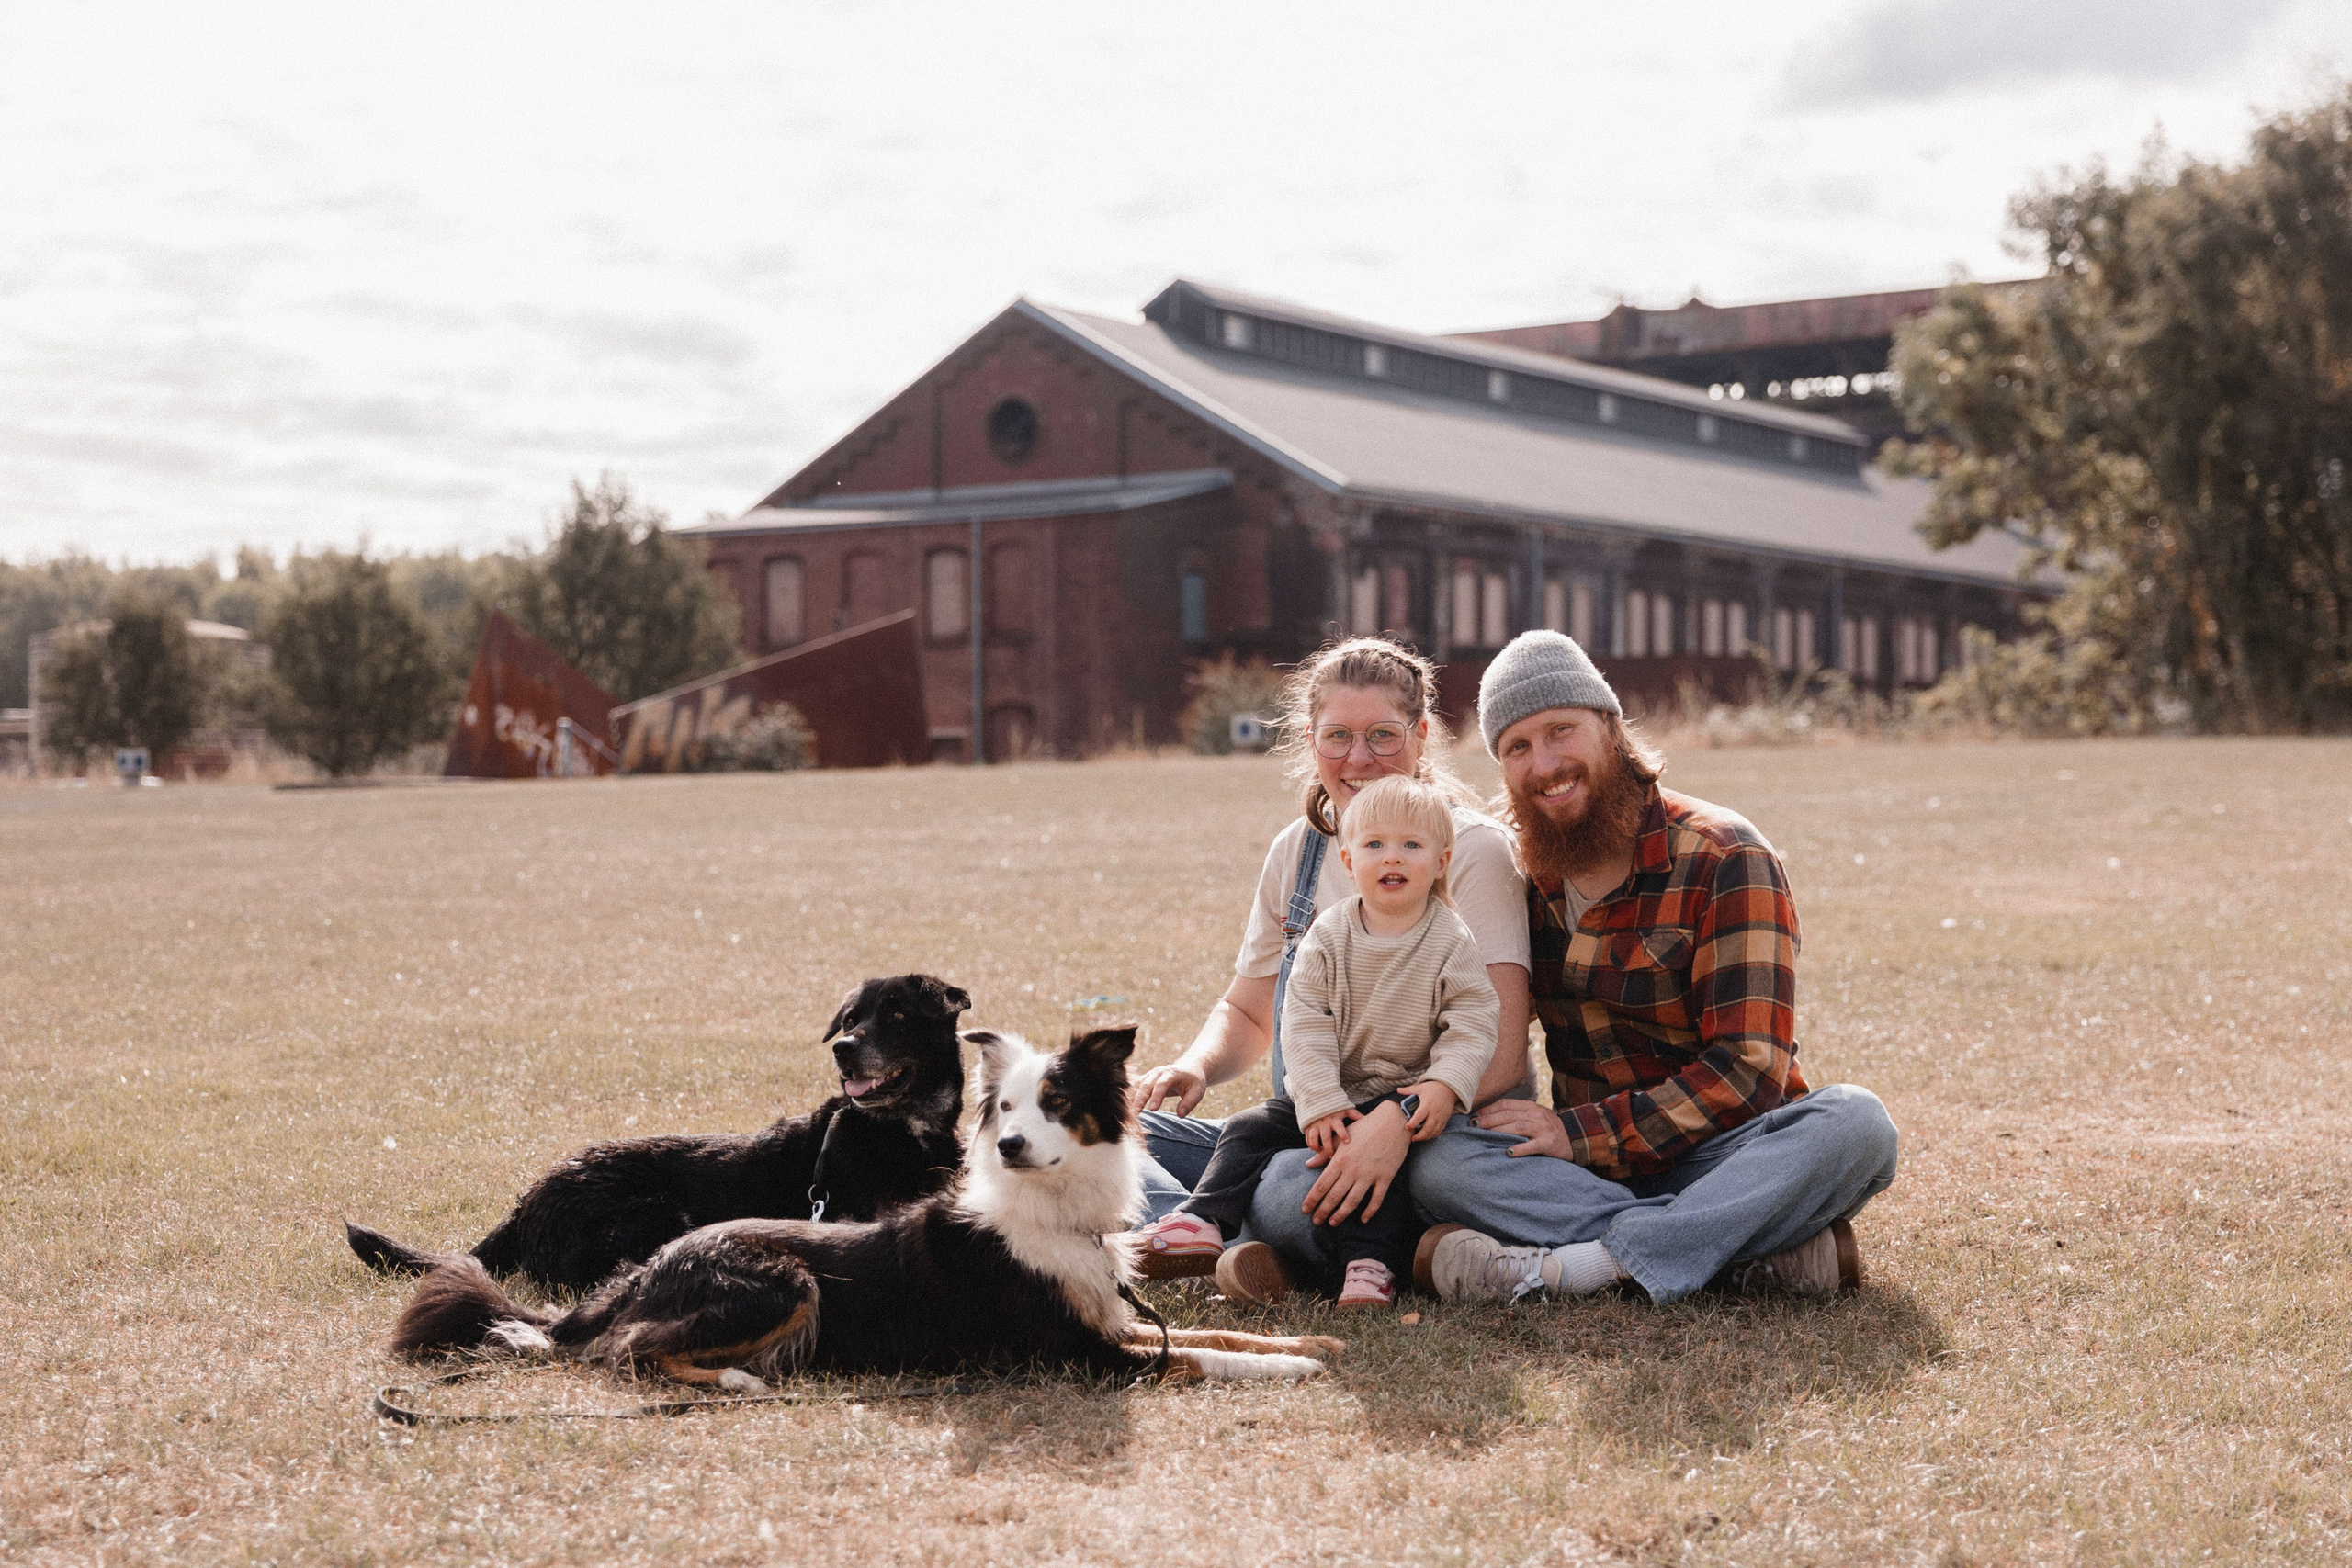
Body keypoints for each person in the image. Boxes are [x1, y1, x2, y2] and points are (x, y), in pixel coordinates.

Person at [1408, 630, 1900, 1305]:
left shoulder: (1726, 856)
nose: (1545, 763)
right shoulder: (1519, 875)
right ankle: (1738, 1253)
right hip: (1585, 1175)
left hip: (1725, 1157)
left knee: (1857, 1124)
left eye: (1561, 730)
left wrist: (1577, 1134)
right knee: (1440, 1163)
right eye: (1517, 747)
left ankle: (1579, 1267)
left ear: (1610, 726)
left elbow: (1748, 1069)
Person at [1127, 637, 1532, 1302]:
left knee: (1288, 1185)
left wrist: (1392, 1124)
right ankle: (1248, 1243)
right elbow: (1250, 1010)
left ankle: (1259, 1240)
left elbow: (1504, 1050)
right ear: (1309, 739)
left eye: (1382, 735)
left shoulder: (1473, 851)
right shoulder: (1302, 853)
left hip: (1433, 1137)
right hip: (1312, 1126)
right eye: (1337, 736)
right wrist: (1194, 1065)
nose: (1359, 758)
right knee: (1109, 1132)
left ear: (1422, 735)